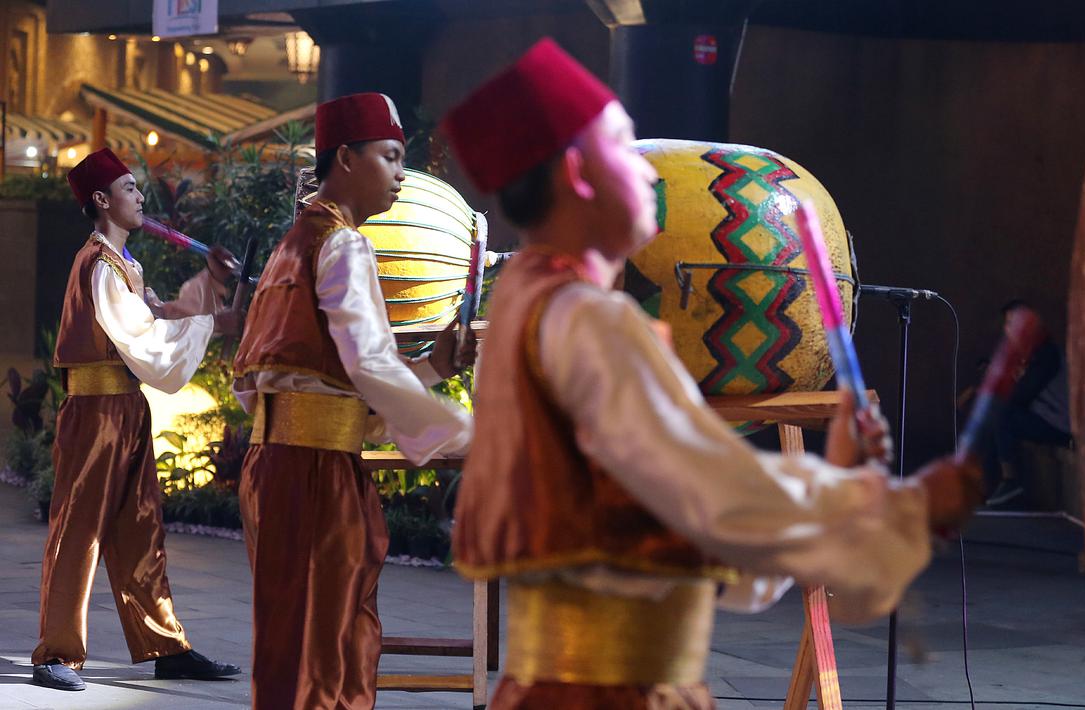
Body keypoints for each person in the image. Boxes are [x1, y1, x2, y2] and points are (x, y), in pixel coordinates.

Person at [442, 38, 985, 709]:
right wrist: (900, 506)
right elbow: (717, 498)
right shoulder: (589, 320)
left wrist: (836, 477)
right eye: (624, 147)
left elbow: (679, 517)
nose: (648, 174)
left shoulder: (524, 303)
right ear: (578, 173)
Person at [231, 92, 475, 710]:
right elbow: (366, 363)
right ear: (345, 157)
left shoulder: (293, 244)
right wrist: (461, 433)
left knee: (291, 646)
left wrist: (432, 368)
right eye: (391, 157)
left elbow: (277, 378)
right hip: (315, 474)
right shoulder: (342, 244)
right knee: (328, 651)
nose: (400, 175)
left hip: (276, 464)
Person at [32, 147, 243, 691]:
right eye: (129, 188)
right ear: (101, 201)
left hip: (125, 407)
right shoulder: (99, 265)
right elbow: (145, 339)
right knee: (79, 529)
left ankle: (164, 644)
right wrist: (218, 323)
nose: (141, 196)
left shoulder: (125, 265)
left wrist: (212, 286)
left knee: (141, 526)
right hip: (96, 410)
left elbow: (161, 315)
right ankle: (55, 653)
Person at [984, 300, 1072, 507]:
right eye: (1008, 325)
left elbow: (1022, 395)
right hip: (1045, 418)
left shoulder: (1046, 353)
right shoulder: (1029, 354)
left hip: (1060, 424)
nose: (1010, 331)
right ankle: (986, 483)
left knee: (1001, 414)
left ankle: (1010, 480)